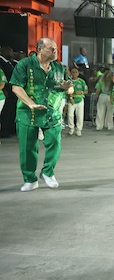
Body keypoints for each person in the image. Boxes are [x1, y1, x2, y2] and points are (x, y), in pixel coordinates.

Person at [9, 38, 73, 191]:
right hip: (28, 113)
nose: (55, 51)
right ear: (39, 49)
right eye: (51, 48)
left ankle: (47, 172)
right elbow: (16, 87)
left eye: (56, 49)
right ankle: (30, 179)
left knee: (55, 143)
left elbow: (70, 88)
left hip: (52, 112)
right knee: (27, 147)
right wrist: (30, 103)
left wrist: (67, 88)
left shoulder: (58, 67)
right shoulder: (25, 64)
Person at [65, 67, 87, 136]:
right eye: (73, 72)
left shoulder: (81, 81)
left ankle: (79, 129)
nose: (74, 74)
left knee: (79, 116)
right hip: (71, 100)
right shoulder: (69, 81)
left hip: (80, 100)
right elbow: (66, 91)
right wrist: (70, 98)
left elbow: (86, 91)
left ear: (78, 73)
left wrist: (81, 92)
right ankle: (71, 128)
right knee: (70, 115)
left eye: (76, 72)